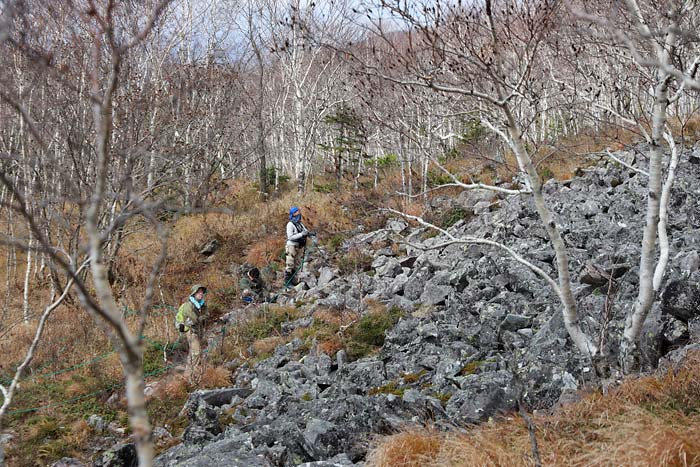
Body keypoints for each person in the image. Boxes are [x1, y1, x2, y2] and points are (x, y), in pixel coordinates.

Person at [175, 284, 208, 384]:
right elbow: (195, 319)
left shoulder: (202, 305)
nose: (201, 294)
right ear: (194, 294)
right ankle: (191, 378)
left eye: (202, 292)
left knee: (193, 353)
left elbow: (206, 314)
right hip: (190, 330)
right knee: (196, 352)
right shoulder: (189, 305)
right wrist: (202, 318)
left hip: (198, 330)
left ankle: (187, 375)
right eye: (198, 292)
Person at [285, 206, 314, 285]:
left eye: (298, 211)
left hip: (298, 246)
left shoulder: (299, 223)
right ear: (293, 214)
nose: (299, 213)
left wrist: (310, 234)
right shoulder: (290, 224)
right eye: (297, 212)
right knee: (290, 263)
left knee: (296, 264)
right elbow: (290, 237)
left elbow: (305, 231)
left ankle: (294, 281)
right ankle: (287, 283)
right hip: (291, 246)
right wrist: (301, 234)